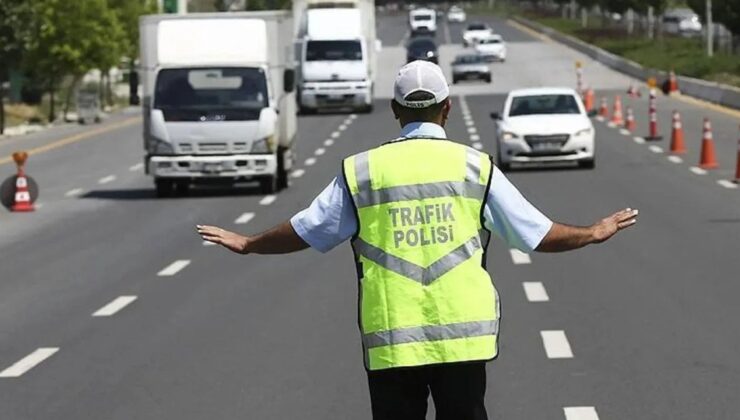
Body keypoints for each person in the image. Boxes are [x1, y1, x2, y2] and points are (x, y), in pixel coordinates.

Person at [197, 60, 638, 420]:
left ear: (394, 109)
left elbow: (307, 229)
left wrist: (249, 242)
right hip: (463, 340)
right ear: (446, 108)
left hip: (392, 340)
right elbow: (536, 233)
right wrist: (592, 233)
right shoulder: (473, 167)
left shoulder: (363, 171)